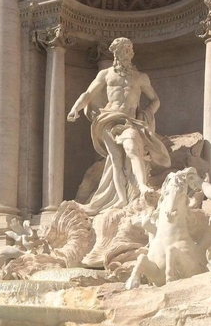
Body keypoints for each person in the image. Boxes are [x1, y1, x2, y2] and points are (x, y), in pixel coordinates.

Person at [68, 37, 172, 214]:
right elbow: (88, 94)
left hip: (130, 121)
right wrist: (75, 109)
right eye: (125, 49)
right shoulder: (106, 74)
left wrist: (146, 113)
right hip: (108, 119)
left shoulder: (140, 77)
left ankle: (142, 186)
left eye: (130, 50)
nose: (129, 53)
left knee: (131, 147)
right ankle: (122, 198)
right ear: (116, 52)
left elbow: (155, 100)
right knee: (115, 160)